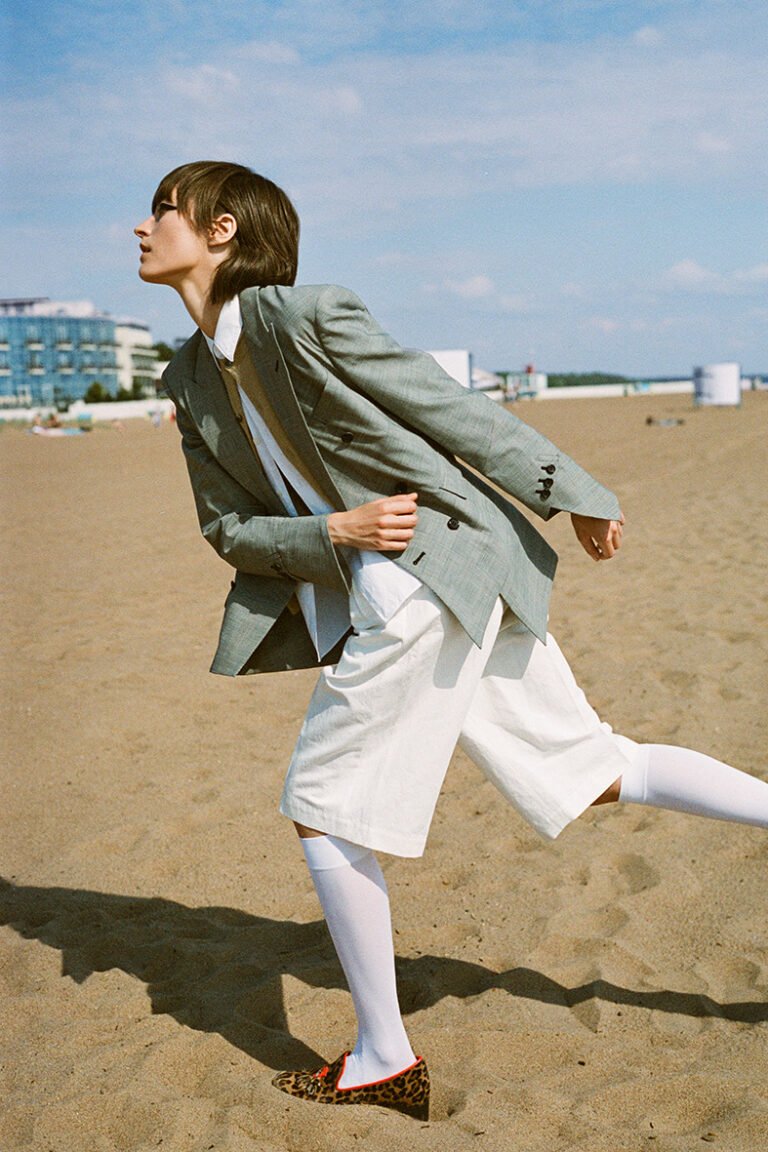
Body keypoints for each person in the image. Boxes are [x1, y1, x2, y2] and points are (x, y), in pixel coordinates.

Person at [135, 161, 768, 1120]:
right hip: (400, 585)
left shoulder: (308, 318)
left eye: (161, 212)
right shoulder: (186, 376)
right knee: (597, 768)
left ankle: (385, 1055)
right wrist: (334, 535)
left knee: (324, 806)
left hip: (428, 579)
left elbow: (446, 407)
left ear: (221, 231)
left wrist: (576, 493)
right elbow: (229, 531)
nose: (139, 229)